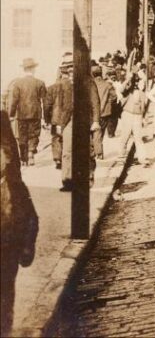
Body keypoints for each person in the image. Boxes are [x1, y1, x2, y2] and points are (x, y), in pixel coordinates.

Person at [1, 110, 39, 338]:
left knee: (5, 296)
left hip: (7, 249)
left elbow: (31, 218)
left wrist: (26, 248)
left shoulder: (14, 187)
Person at [51, 67, 100, 190]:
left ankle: (88, 177)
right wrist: (57, 123)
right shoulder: (64, 85)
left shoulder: (89, 84)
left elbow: (95, 103)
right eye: (69, 74)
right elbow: (58, 105)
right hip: (68, 121)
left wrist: (96, 121)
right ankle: (67, 181)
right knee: (67, 152)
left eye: (74, 73)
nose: (71, 76)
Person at [5, 58, 47, 167]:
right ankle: (31, 152)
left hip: (22, 114)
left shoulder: (18, 83)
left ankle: (23, 159)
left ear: (24, 69)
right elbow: (45, 101)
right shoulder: (40, 83)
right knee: (34, 134)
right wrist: (46, 117)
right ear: (33, 69)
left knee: (22, 135)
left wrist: (11, 115)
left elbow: (14, 100)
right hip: (35, 113)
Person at [115, 74, 149, 165]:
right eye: (135, 81)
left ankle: (142, 158)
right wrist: (128, 79)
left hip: (137, 116)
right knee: (125, 136)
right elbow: (120, 89)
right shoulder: (127, 92)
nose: (137, 83)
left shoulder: (142, 93)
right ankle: (121, 157)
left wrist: (143, 118)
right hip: (127, 114)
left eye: (138, 81)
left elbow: (143, 107)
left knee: (138, 138)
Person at [92, 65, 116, 161]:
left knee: (95, 133)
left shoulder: (90, 84)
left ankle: (97, 152)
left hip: (93, 112)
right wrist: (108, 102)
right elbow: (114, 97)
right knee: (100, 132)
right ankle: (99, 152)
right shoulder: (108, 84)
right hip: (105, 112)